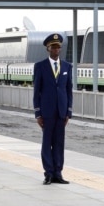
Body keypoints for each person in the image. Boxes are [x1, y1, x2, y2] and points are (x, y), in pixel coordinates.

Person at [33, 33, 73, 185]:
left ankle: (58, 173)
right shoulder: (40, 66)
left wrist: (69, 111)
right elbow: (36, 91)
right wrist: (38, 113)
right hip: (47, 112)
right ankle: (48, 173)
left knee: (59, 143)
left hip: (61, 112)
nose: (57, 49)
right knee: (47, 143)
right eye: (54, 47)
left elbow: (68, 90)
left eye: (59, 47)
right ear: (48, 49)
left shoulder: (67, 67)